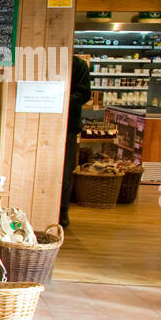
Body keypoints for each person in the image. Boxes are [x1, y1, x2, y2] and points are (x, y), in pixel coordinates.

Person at [59, 56, 92, 228]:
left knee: (65, 171)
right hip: (42, 120)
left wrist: (61, 101)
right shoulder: (46, 60)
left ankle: (62, 211)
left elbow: (84, 94)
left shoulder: (78, 65)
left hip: (68, 126)